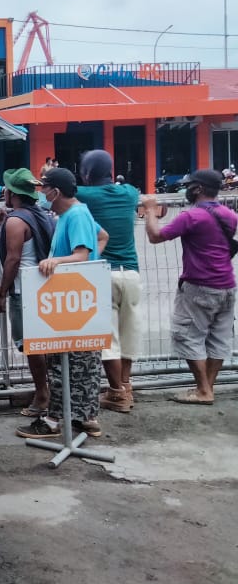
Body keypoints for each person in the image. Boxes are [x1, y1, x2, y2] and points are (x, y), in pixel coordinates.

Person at [16, 168, 106, 440]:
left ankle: (54, 421)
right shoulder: (74, 214)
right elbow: (103, 237)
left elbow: (81, 254)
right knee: (83, 363)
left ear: (56, 191)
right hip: (75, 297)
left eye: (44, 188)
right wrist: (88, 268)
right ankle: (86, 416)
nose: (41, 194)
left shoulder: (76, 215)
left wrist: (59, 262)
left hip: (70, 300)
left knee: (65, 364)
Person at [142, 169, 237, 405]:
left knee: (187, 335)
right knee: (218, 338)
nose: (186, 189)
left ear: (198, 189)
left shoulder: (191, 216)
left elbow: (155, 236)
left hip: (199, 286)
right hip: (227, 285)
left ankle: (203, 390)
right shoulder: (230, 215)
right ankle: (207, 388)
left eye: (190, 185)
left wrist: (151, 211)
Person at [76, 150, 142, 413]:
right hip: (132, 273)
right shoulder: (130, 193)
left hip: (105, 273)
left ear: (87, 173)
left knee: (108, 338)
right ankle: (126, 387)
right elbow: (138, 194)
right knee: (128, 334)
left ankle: (116, 392)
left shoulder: (86, 195)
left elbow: (54, 198)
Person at [0, 168, 55, 417]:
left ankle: (42, 395)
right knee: (42, 344)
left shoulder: (16, 222)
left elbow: (13, 259)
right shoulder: (42, 215)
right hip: (43, 287)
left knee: (30, 346)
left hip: (22, 290)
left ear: (12, 192)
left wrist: (2, 293)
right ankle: (48, 390)